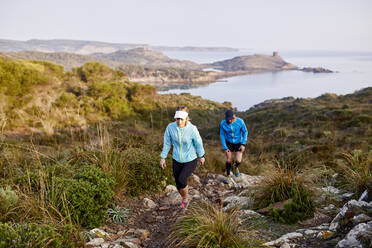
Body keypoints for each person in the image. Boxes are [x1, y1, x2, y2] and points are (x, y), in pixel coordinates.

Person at [160, 106, 205, 211]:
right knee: (178, 184)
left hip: (190, 159)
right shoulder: (170, 128)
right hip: (176, 159)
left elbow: (198, 143)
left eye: (181, 119)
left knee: (182, 179)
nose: (179, 121)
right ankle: (185, 195)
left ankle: (185, 200)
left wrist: (201, 156)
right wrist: (163, 157)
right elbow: (167, 143)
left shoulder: (192, 129)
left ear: (186, 118)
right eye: (177, 119)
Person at [220, 109, 248, 184]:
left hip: (239, 143)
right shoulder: (223, 123)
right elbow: (222, 135)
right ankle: (228, 175)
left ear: (234, 117)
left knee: (238, 160)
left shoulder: (240, 121)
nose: (229, 121)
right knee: (229, 159)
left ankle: (235, 167)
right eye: (227, 119)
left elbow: (245, 132)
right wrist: (225, 147)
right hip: (229, 143)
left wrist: (243, 144)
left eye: (230, 119)